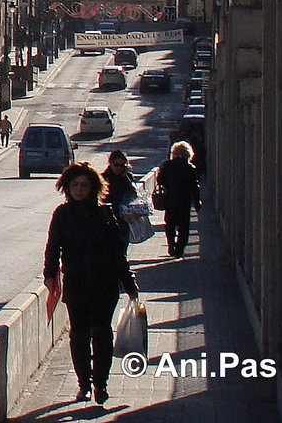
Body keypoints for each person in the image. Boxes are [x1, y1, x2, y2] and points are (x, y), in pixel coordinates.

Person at [44, 162, 139, 406]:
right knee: (78, 336)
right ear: (67, 187)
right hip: (75, 284)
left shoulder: (105, 214)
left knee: (102, 334)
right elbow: (53, 247)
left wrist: (128, 283)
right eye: (74, 185)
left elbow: (118, 252)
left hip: (104, 284)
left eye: (84, 185)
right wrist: (50, 273)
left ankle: (100, 384)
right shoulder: (62, 215)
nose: (78, 190)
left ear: (93, 188)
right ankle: (84, 385)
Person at [152, 141, 202, 258]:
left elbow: (160, 181)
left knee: (170, 224)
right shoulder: (190, 168)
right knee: (184, 227)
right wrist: (197, 202)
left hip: (170, 200)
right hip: (184, 201)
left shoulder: (167, 165)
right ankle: (179, 250)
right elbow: (194, 186)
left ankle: (171, 243)